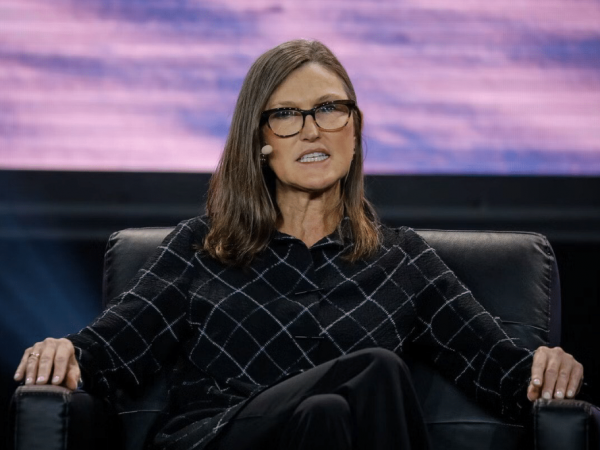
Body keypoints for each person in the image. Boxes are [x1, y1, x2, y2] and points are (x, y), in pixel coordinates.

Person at [14, 39, 584, 450]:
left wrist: (548, 367)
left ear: (354, 130)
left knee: (326, 412)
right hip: (215, 438)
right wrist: (65, 353)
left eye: (330, 109)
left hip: (326, 435)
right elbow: (111, 353)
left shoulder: (401, 261)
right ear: (260, 140)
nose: (312, 129)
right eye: (287, 114)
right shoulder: (201, 248)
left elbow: (496, 368)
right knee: (377, 369)